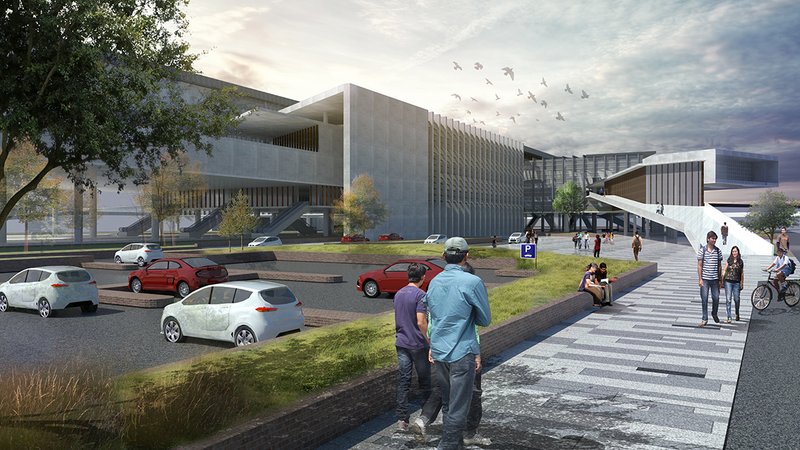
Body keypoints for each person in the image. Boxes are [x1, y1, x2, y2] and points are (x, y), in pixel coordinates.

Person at [424, 237, 491, 450]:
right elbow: (484, 319)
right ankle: (447, 445)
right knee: (460, 406)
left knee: (448, 402)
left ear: (444, 256)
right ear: (466, 256)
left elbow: (432, 317)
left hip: (440, 351)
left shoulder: (434, 281)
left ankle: (455, 445)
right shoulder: (472, 282)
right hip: (462, 352)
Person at [393, 263, 432, 431]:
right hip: (418, 344)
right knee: (425, 382)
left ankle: (402, 419)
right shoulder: (421, 295)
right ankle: (425, 417)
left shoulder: (399, 294)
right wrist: (429, 340)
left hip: (401, 343)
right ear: (423, 278)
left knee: (404, 381)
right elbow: (421, 321)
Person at [697, 230, 723, 327]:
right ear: (708, 239)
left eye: (715, 239)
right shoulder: (702, 250)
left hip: (715, 279)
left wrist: (720, 280)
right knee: (704, 299)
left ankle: (714, 313)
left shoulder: (718, 251)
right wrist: (700, 279)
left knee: (716, 298)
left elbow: (719, 266)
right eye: (713, 238)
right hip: (705, 279)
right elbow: (699, 265)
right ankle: (704, 319)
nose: (714, 240)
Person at [722, 246, 744, 322]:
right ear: (731, 252)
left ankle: (737, 313)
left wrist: (742, 283)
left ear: (738, 252)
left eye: (736, 251)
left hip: (736, 282)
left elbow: (741, 273)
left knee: (736, 299)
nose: (734, 253)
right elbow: (725, 270)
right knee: (728, 299)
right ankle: (729, 317)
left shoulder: (740, 262)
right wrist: (722, 278)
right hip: (728, 281)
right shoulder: (729, 260)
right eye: (733, 251)